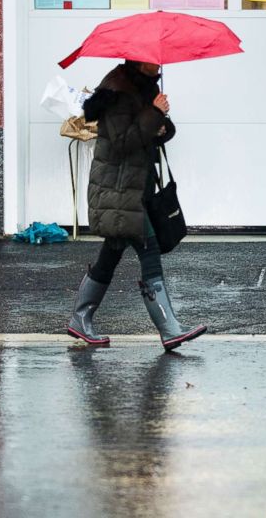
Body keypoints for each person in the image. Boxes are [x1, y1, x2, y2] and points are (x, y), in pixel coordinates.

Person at [66, 59, 207, 350]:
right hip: (119, 191)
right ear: (136, 59)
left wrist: (161, 122)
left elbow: (161, 132)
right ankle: (169, 329)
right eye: (151, 60)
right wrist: (154, 113)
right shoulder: (117, 91)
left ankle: (81, 319)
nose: (157, 64)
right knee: (149, 251)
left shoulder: (145, 88)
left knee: (112, 253)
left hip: (134, 189)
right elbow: (121, 141)